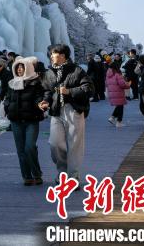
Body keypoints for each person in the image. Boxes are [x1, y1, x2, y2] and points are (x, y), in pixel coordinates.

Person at [38, 44, 92, 185]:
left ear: (63, 55)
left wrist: (69, 91)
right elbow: (47, 91)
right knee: (55, 144)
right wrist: (44, 101)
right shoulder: (49, 73)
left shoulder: (77, 70)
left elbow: (89, 88)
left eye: (53, 53)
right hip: (56, 111)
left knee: (74, 145)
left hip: (73, 110)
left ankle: (73, 177)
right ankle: (62, 173)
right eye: (50, 54)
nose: (51, 56)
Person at [4, 57, 44, 186]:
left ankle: (36, 173)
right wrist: (7, 107)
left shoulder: (35, 83)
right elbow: (8, 98)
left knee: (30, 147)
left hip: (31, 120)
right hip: (16, 121)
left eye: (22, 67)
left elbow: (39, 97)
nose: (20, 69)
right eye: (18, 67)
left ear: (28, 68)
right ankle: (27, 176)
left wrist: (40, 104)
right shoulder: (12, 83)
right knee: (21, 150)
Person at [106, 61, 130, 128]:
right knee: (120, 106)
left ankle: (112, 117)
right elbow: (122, 84)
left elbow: (106, 83)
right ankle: (119, 122)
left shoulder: (108, 74)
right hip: (118, 92)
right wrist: (128, 85)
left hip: (111, 92)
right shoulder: (117, 74)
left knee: (119, 105)